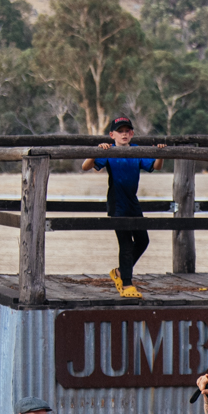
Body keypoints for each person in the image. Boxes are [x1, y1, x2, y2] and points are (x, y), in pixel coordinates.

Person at [80, 117, 164, 299]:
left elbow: (155, 166)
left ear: (132, 133)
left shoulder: (137, 151)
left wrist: (161, 154)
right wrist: (95, 152)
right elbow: (86, 166)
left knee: (143, 240)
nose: (124, 134)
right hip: (117, 201)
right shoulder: (109, 151)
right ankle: (126, 284)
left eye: (127, 131)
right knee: (125, 244)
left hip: (133, 201)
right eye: (120, 131)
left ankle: (119, 272)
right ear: (112, 135)